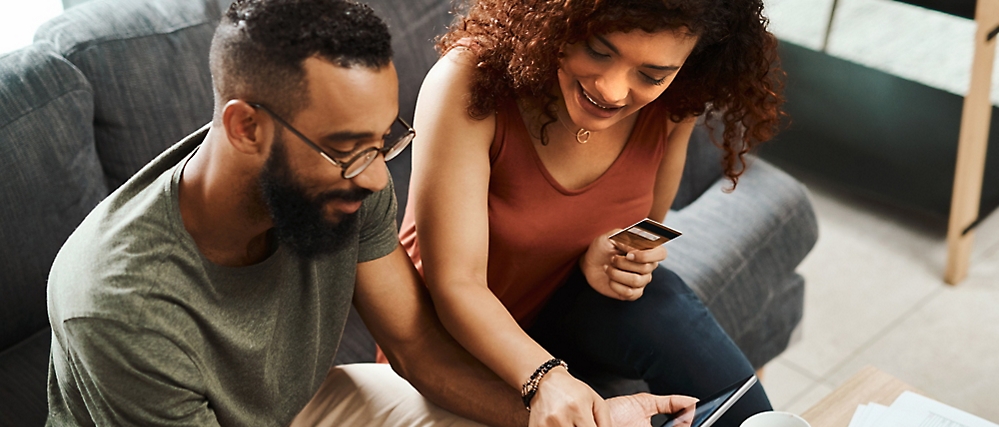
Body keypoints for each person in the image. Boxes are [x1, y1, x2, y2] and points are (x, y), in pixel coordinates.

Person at [45, 0, 698, 425]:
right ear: (246, 128)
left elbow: (416, 345)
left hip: (299, 406)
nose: (375, 176)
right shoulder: (118, 305)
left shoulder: (350, 176)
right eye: (345, 148)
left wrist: (569, 410)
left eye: (382, 140)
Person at [400, 0, 785, 426]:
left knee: (664, 305)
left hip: (566, 310)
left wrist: (616, 257)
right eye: (599, 52)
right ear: (556, 18)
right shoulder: (472, 78)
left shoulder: (677, 102)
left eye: (652, 75)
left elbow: (648, 222)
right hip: (456, 340)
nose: (613, 90)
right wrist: (545, 376)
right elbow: (456, 284)